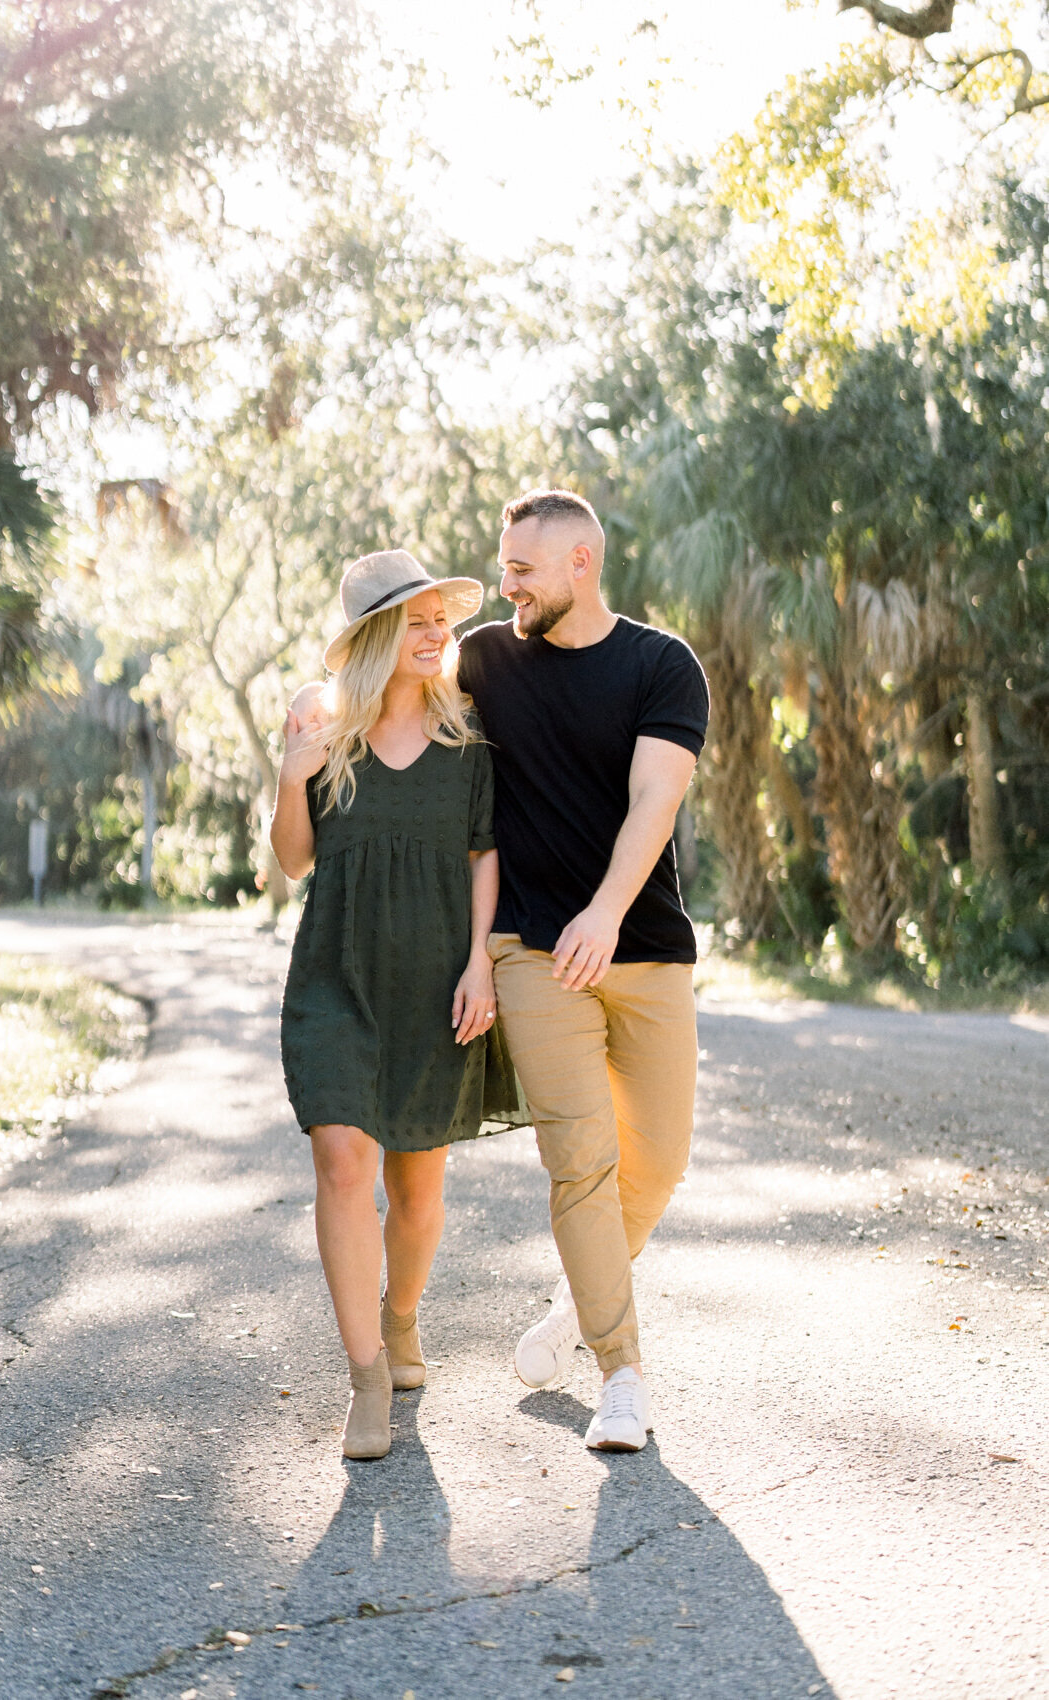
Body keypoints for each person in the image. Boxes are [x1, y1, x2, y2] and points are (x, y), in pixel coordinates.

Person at [457, 488, 710, 1454]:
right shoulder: (484, 658)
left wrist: (604, 912)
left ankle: (576, 1307)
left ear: (579, 565)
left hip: (641, 945)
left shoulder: (660, 665)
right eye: (504, 569)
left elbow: (655, 797)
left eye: (521, 570)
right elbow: (404, 695)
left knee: (661, 1162)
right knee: (581, 1161)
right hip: (530, 951)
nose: (506, 585)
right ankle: (621, 1376)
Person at [270, 549, 524, 1461]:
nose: (434, 634)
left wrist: (479, 965)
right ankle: (366, 1374)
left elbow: (482, 857)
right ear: (377, 636)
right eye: (414, 620)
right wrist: (291, 773)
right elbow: (295, 858)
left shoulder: (468, 741)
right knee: (341, 1164)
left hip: (432, 983)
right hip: (335, 978)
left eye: (438, 620)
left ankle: (401, 1314)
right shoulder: (326, 736)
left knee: (416, 1192)